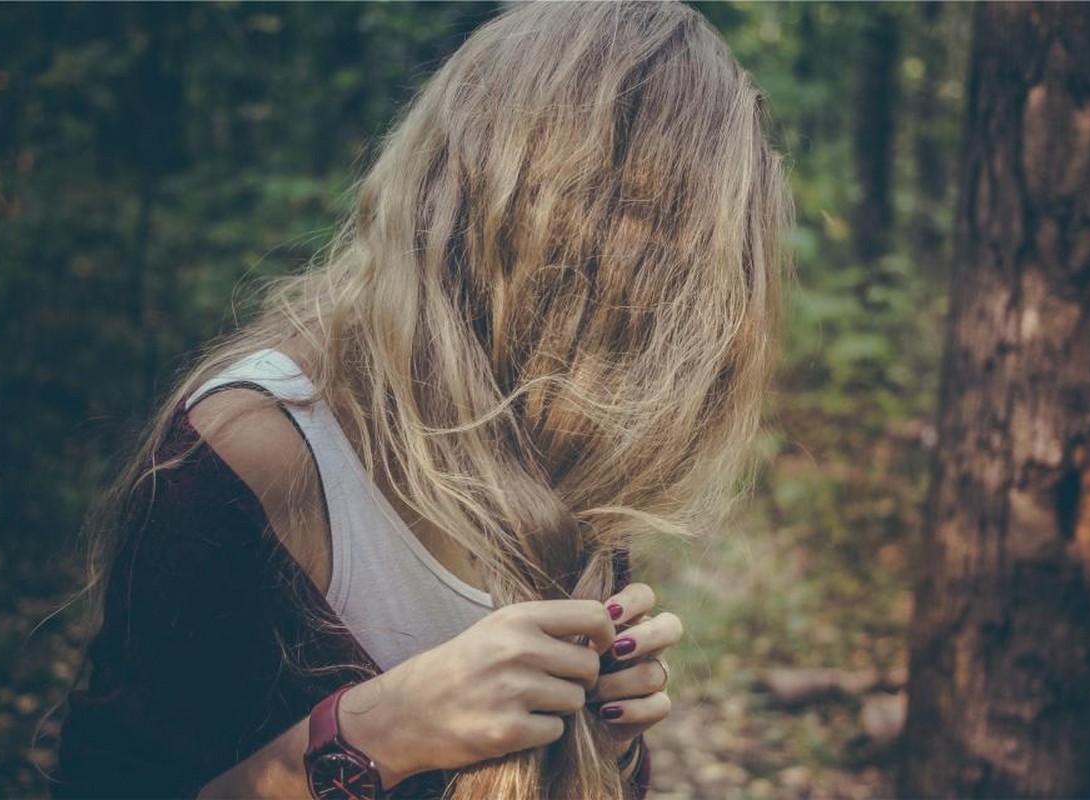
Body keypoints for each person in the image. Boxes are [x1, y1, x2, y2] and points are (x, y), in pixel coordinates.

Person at [54, 2, 788, 798]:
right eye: (638, 274)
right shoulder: (256, 450)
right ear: (512, 220)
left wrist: (608, 746)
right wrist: (370, 737)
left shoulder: (567, 442)